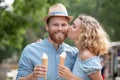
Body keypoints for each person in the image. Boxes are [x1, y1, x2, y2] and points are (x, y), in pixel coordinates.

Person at [16, 3, 79, 80]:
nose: (60, 29)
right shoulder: (30, 51)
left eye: (63, 25)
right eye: (55, 25)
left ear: (68, 27)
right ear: (47, 27)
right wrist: (32, 77)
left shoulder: (75, 53)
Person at [58, 14, 110, 80]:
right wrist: (45, 43)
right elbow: (66, 48)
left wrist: (70, 76)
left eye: (74, 26)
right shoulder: (80, 52)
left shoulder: (87, 55)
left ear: (83, 33)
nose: (69, 27)